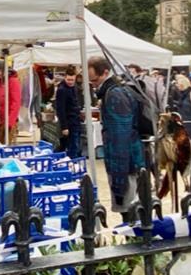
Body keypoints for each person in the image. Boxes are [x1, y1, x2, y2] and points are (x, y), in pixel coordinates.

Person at [89, 56, 145, 213]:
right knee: (131, 210)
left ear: (105, 72)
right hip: (126, 160)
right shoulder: (115, 90)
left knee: (129, 211)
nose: (93, 84)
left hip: (125, 163)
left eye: (95, 80)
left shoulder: (115, 94)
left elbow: (121, 136)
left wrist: (119, 182)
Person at [53, 65, 84, 160]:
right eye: (68, 80)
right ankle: (72, 162)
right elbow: (60, 109)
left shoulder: (75, 87)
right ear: (65, 77)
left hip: (75, 120)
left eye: (72, 80)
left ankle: (73, 160)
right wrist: (64, 126)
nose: (70, 82)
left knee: (75, 145)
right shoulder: (62, 90)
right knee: (72, 146)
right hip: (69, 122)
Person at [0, 61, 22, 143]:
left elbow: (16, 103)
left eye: (0, 70)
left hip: (7, 120)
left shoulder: (13, 82)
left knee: (5, 144)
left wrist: (10, 122)